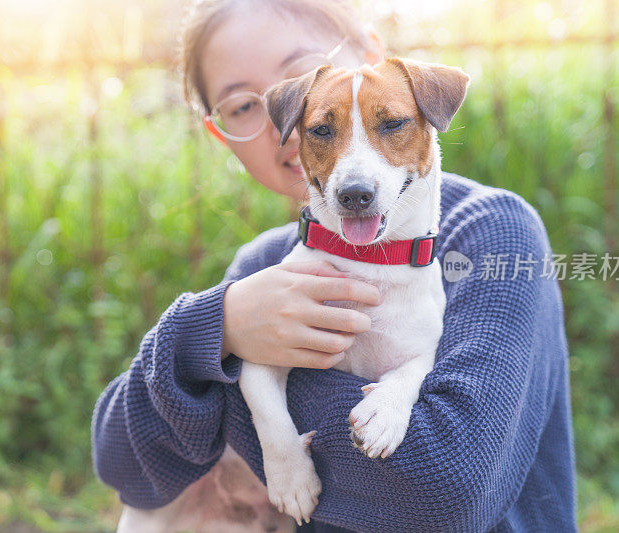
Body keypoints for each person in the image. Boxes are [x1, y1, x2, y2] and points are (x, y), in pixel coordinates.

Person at [91, 0, 577, 531]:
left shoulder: (494, 235)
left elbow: (447, 492)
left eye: (389, 123)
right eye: (241, 106)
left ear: (373, 56)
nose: (298, 123)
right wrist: (211, 328)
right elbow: (121, 468)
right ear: (221, 133)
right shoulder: (264, 266)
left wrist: (220, 380)